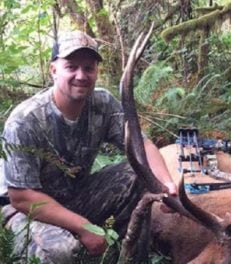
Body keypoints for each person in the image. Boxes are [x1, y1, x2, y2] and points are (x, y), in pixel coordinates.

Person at [0, 31, 177, 263]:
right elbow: (21, 197)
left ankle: (133, 258)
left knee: (139, 174)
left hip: (75, 196)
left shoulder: (102, 102)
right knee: (64, 251)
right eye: (71, 67)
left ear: (96, 71)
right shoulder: (25, 120)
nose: (81, 76)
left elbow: (140, 144)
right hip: (26, 211)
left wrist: (165, 187)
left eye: (88, 68)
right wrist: (85, 227)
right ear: (54, 70)